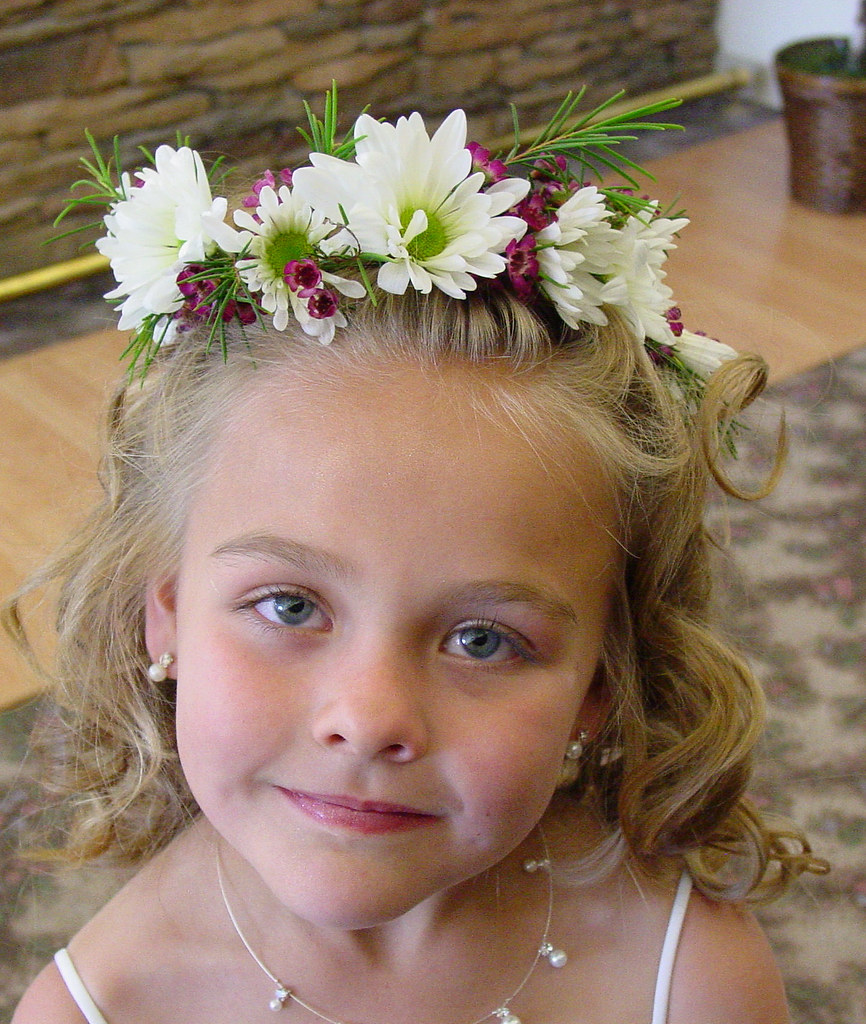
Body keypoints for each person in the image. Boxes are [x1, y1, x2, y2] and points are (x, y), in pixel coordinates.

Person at [7, 90, 826, 1024]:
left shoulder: (692, 980)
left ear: (599, 685)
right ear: (168, 619)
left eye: (482, 640)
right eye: (288, 606)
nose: (367, 719)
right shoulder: (99, 1007)